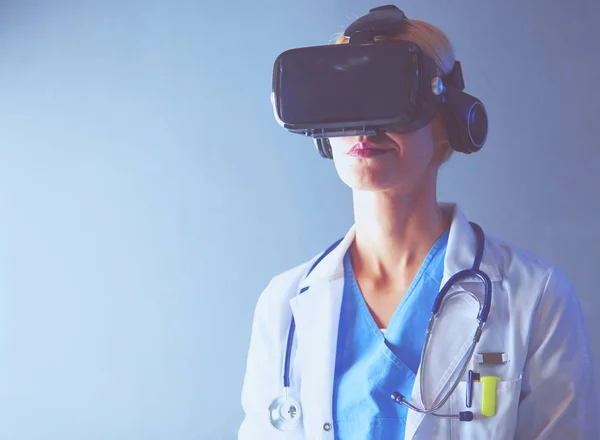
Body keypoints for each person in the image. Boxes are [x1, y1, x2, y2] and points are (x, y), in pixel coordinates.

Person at [239, 5, 599, 439]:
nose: (364, 129)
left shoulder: (536, 298)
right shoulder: (284, 304)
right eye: (344, 101)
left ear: (449, 122)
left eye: (389, 98)